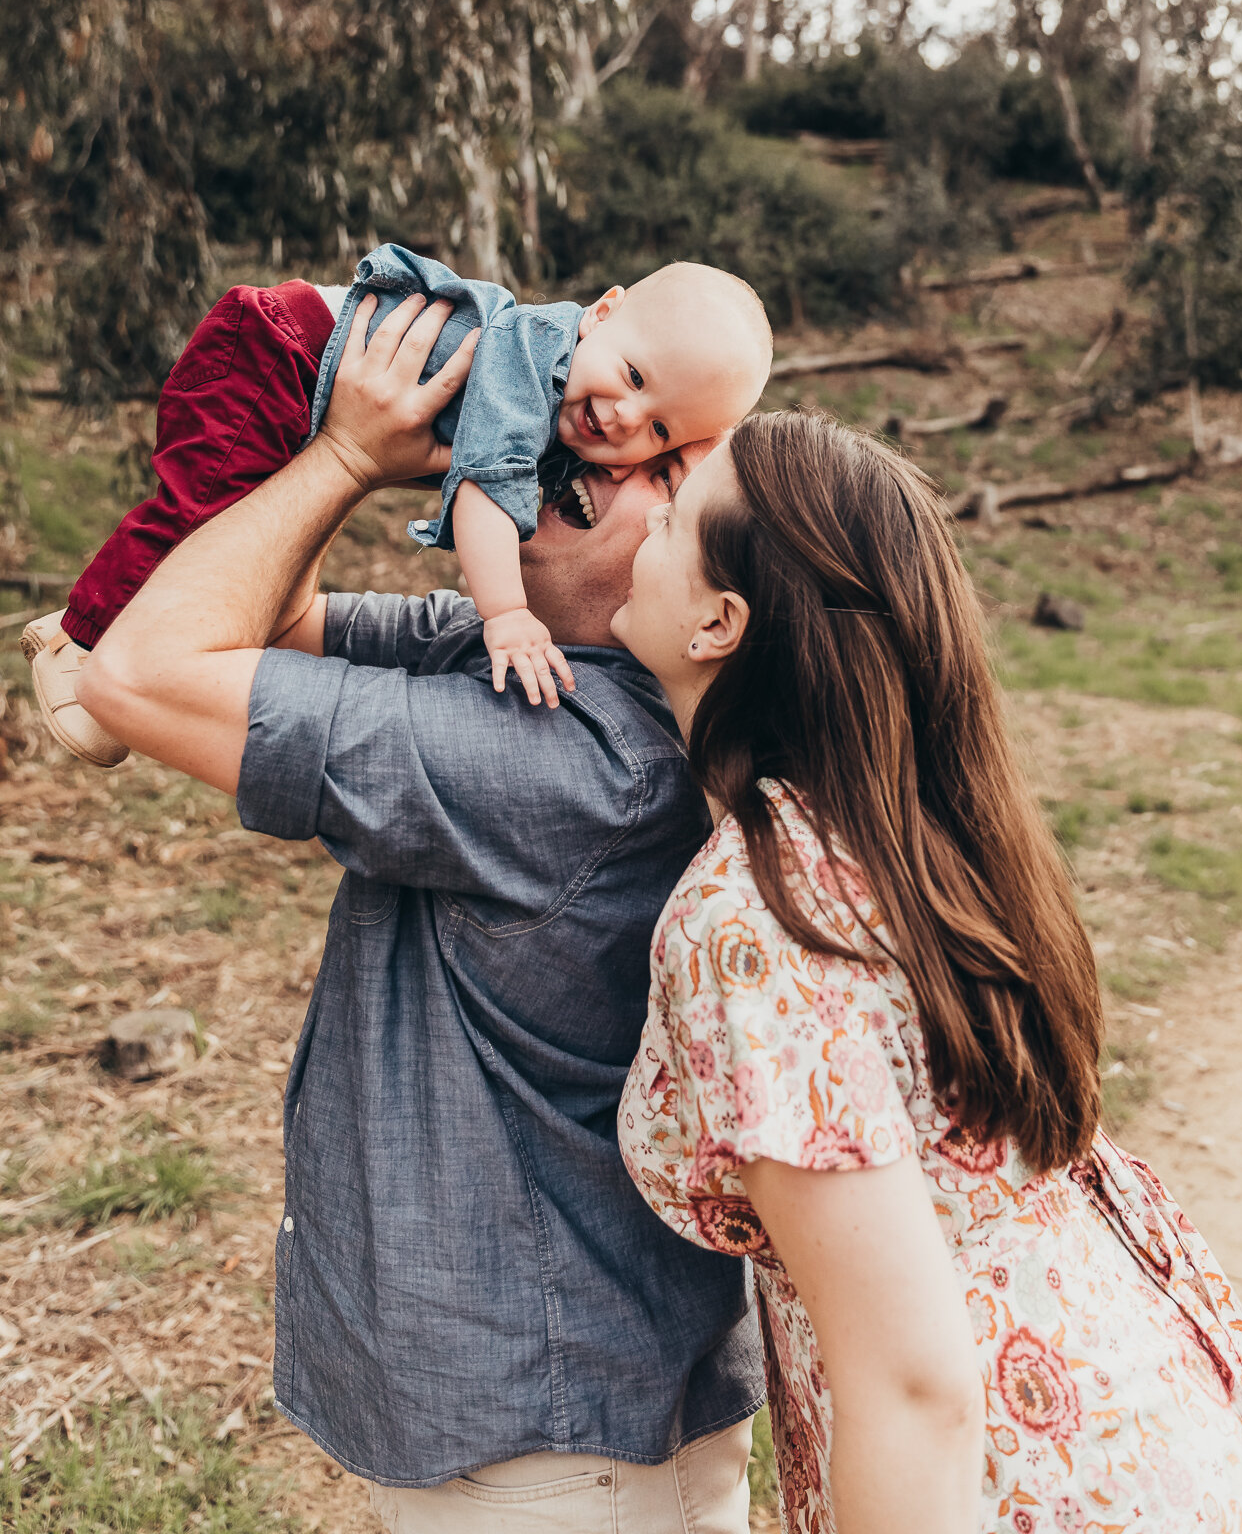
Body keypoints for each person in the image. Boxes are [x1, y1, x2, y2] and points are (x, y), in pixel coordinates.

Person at [75, 293, 766, 1532]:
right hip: (598, 1411)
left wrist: (343, 455)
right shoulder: (533, 659)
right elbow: (269, 624)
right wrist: (381, 452)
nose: (542, 468)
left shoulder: (567, 765)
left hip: (547, 1454)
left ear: (666, 569)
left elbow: (139, 672)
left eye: (571, 493)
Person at [613, 407, 1242, 1534]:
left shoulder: (751, 920)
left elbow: (915, 1386)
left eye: (679, 509)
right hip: (1133, 1420)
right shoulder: (905, 830)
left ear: (720, 619)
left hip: (1005, 1481)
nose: (646, 507)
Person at [24, 246, 772, 761]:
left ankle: (93, 620)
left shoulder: (582, 393)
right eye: (634, 379)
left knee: (232, 528)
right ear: (602, 312)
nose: (623, 421)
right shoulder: (529, 361)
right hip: (280, 350)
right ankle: (83, 639)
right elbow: (483, 495)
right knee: (204, 514)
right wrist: (505, 614)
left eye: (661, 431)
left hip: (305, 379)